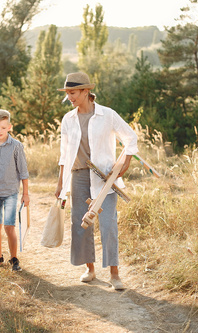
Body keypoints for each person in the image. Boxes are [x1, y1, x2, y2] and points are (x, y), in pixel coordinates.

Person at [55, 72, 138, 290]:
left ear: (85, 91)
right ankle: (90, 269)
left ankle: (114, 274)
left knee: (109, 224)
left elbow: (131, 137)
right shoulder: (68, 119)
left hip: (104, 178)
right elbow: (64, 154)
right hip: (79, 175)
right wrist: (60, 183)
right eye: (67, 94)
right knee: (80, 223)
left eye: (72, 93)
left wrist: (126, 162)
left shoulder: (107, 115)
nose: (69, 97)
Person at [0, 109, 30, 271]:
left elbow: (23, 171)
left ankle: (14, 258)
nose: (0, 131)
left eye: (3, 127)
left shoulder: (16, 146)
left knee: (9, 226)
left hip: (10, 193)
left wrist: (26, 193)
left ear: (9, 127)